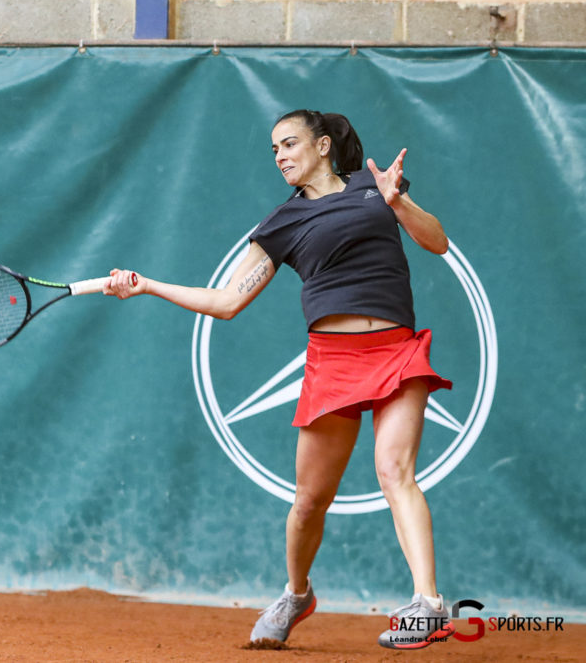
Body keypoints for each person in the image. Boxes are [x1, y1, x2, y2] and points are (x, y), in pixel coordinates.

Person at [104, 109, 455, 650]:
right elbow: (225, 302)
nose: (281, 156)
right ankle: (296, 594)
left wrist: (398, 201)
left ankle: (428, 604)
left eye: (289, 144)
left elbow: (437, 242)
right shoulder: (281, 224)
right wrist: (147, 284)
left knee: (394, 471)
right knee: (309, 503)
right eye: (274, 150)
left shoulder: (373, 185)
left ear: (321, 146)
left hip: (395, 352)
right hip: (333, 362)